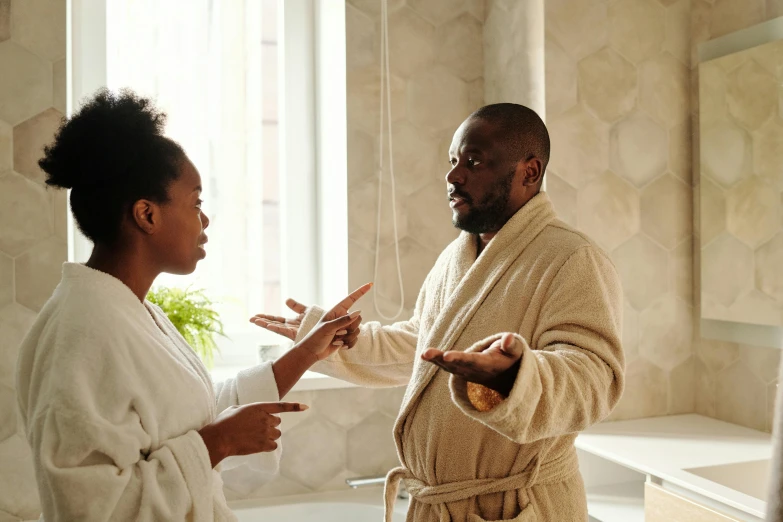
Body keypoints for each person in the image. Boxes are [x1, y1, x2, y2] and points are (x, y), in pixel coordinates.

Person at [253, 103, 625, 522]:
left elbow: (594, 377)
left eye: (474, 161)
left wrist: (514, 378)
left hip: (515, 507)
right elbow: (426, 345)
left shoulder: (572, 257)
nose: (453, 176)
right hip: (440, 505)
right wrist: (340, 342)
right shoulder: (457, 256)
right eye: (453, 161)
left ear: (529, 172)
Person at [15, 89, 370, 521]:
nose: (205, 220)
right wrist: (217, 444)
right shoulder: (82, 332)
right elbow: (87, 507)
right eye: (196, 202)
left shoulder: (129, 311)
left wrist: (308, 351)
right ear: (147, 215)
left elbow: (188, 416)